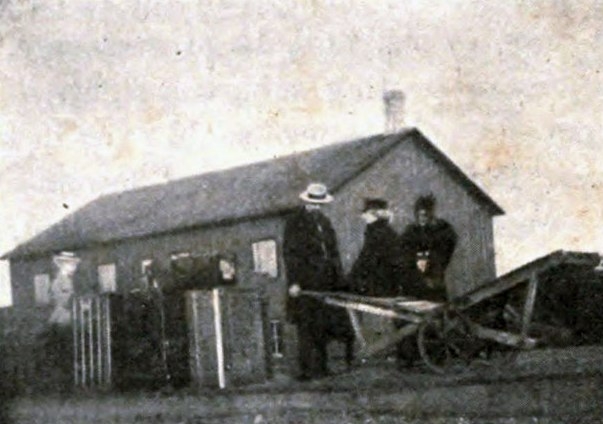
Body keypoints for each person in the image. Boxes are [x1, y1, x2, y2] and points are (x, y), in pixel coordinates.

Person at [283, 182, 350, 380]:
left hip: (325, 283)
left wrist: (338, 279)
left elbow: (333, 252)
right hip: (304, 284)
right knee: (306, 326)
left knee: (322, 325)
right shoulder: (294, 223)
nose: (317, 207)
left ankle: (321, 367)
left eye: (320, 204)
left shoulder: (325, 223)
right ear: (306, 201)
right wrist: (294, 282)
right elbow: (290, 254)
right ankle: (305, 371)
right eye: (313, 203)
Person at [399, 194, 458, 302]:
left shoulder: (442, 230)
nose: (422, 218)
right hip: (414, 282)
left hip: (434, 280)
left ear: (431, 214)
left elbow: (447, 250)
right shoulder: (410, 232)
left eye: (425, 215)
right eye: (419, 215)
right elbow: (404, 254)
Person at [349, 198, 402, 297]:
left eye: (366, 214)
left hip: (379, 286)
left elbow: (367, 259)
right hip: (389, 284)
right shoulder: (387, 230)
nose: (364, 217)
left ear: (374, 215)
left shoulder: (376, 232)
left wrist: (351, 278)